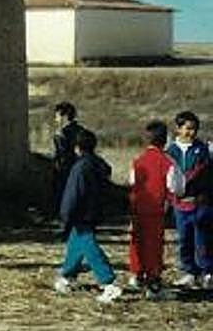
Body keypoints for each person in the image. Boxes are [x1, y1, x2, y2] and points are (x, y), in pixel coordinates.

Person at [54, 129, 122, 303]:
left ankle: (109, 282)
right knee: (76, 242)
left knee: (88, 245)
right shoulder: (98, 164)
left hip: (81, 213)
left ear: (77, 148)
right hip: (95, 211)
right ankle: (67, 276)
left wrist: (65, 215)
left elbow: (72, 194)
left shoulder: (79, 168)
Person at [128, 120, 185, 298]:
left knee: (137, 243)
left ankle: (137, 275)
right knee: (154, 246)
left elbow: (131, 182)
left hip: (137, 208)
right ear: (165, 140)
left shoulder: (138, 161)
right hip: (155, 211)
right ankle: (153, 284)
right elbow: (177, 187)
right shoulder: (168, 162)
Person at [165, 111, 212, 289]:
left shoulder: (202, 149)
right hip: (180, 204)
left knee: (203, 239)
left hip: (200, 203)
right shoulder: (171, 151)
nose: (191, 132)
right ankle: (189, 272)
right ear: (178, 129)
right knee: (185, 239)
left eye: (194, 129)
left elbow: (206, 174)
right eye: (187, 128)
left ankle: (207, 271)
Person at [51, 102, 84, 215]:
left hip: (65, 167)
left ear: (63, 116)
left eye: (57, 116)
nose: (56, 119)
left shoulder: (62, 133)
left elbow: (61, 152)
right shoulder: (81, 130)